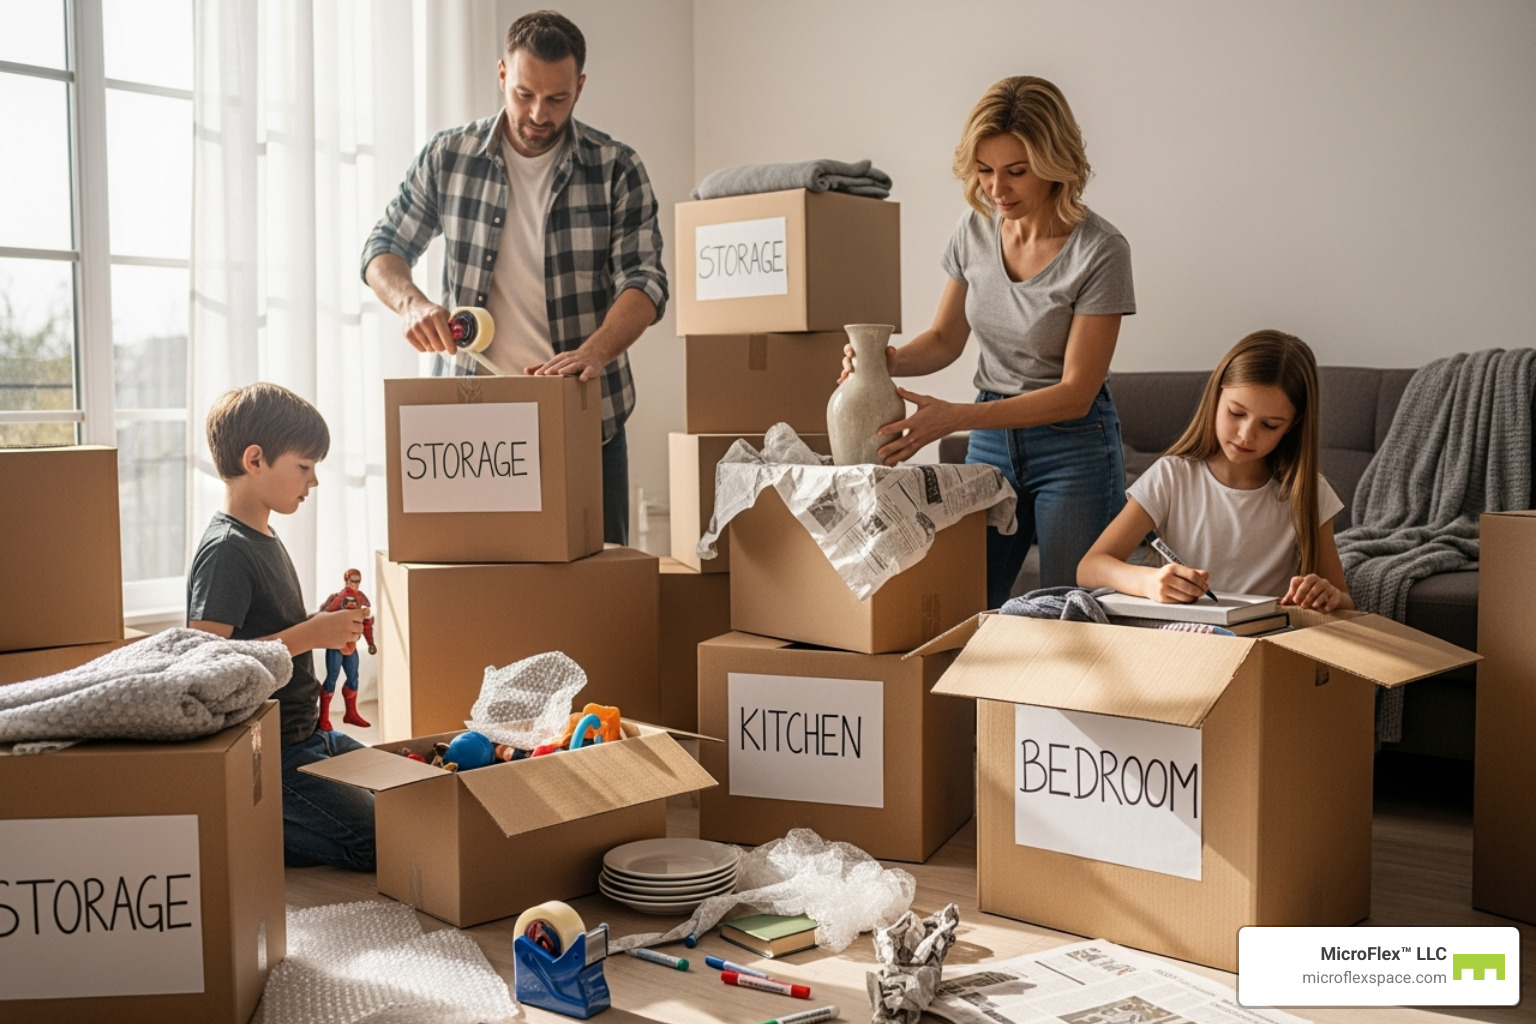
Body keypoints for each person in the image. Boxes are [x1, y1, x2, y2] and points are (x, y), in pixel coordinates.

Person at [361, 8, 668, 545]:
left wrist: (594, 351)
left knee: (601, 592)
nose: (538, 113)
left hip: (585, 419)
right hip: (475, 427)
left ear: (580, 86)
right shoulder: (448, 157)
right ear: (502, 74)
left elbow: (645, 281)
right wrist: (412, 304)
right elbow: (382, 249)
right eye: (524, 93)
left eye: (557, 99)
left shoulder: (617, 167)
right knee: (483, 592)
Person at [847, 76, 1135, 608]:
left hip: (1074, 446)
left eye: (1016, 172)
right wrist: (886, 362)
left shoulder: (1101, 251)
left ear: (1056, 164)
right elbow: (943, 340)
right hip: (991, 444)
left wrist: (954, 417)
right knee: (969, 598)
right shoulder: (974, 228)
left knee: (1067, 610)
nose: (996, 190)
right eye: (984, 171)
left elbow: (1075, 392)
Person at [187, 383, 377, 872]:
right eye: (305, 467)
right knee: (381, 840)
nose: (312, 482)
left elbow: (268, 632)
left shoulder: (264, 534)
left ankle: (266, 814)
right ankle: (246, 829)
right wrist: (312, 635)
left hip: (307, 734)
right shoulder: (227, 550)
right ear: (255, 459)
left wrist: (317, 624)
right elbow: (207, 663)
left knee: (410, 799)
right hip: (272, 754)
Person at [1077, 330, 1353, 612]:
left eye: (1270, 425)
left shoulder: (1308, 492)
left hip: (1265, 642)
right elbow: (1090, 567)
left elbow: (1344, 599)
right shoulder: (1172, 476)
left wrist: (1327, 595)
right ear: (1216, 398)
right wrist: (1149, 582)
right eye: (1236, 413)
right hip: (1182, 635)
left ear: (1293, 426)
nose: (1246, 435)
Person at [318, 568, 376, 731]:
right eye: (352, 580)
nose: (354, 583)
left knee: (353, 678)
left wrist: (370, 642)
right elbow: (327, 614)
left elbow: (366, 622)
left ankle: (351, 713)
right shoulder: (339, 598)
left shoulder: (361, 598)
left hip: (351, 645)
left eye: (357, 580)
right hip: (336, 645)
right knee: (332, 679)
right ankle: (324, 718)